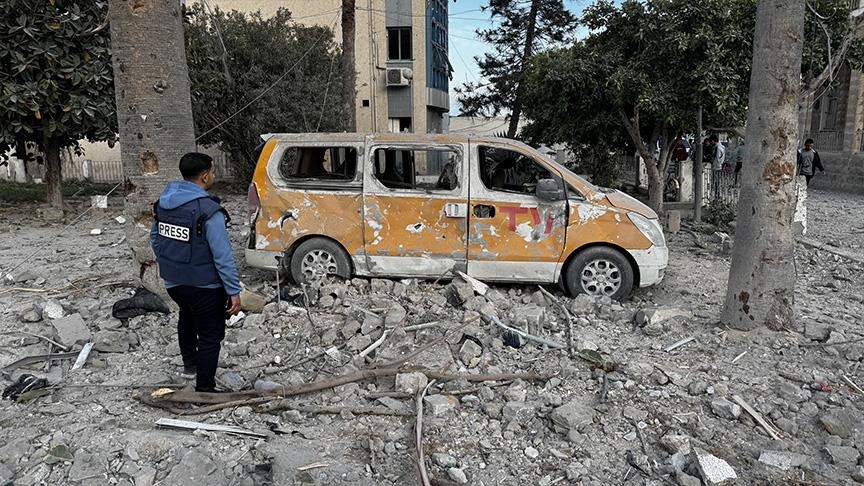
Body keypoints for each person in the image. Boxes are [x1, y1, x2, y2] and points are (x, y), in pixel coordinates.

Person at [150, 152, 242, 392]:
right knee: (210, 336)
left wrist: (171, 264)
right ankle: (205, 389)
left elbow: (155, 238)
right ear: (204, 176)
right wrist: (233, 291)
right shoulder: (209, 211)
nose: (214, 176)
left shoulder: (163, 204)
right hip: (204, 286)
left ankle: (190, 366)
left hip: (174, 283)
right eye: (213, 172)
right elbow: (222, 256)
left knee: (187, 317)